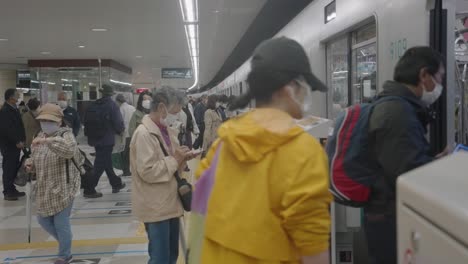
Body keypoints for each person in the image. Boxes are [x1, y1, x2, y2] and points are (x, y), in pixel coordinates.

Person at [190, 37, 331, 264]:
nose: (307, 94)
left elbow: (199, 218)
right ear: (289, 89)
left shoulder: (222, 145)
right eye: (305, 86)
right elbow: (312, 245)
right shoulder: (304, 152)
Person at [362, 47, 448, 264]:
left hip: (382, 212)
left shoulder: (393, 105)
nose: (440, 85)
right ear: (423, 75)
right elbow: (406, 173)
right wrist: (442, 165)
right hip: (389, 218)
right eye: (439, 77)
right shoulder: (398, 113)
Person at [130, 87, 196, 264]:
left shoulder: (165, 131)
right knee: (160, 258)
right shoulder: (144, 134)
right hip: (156, 206)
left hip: (170, 203)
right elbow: (148, 171)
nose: (178, 114)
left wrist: (183, 158)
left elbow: (171, 166)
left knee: (171, 255)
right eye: (175, 110)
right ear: (161, 108)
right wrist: (175, 159)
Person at [25, 103, 82, 264]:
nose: (45, 123)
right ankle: (66, 241)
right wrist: (30, 164)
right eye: (42, 120)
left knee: (61, 222)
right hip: (45, 187)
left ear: (59, 122)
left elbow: (68, 151)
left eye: (49, 120)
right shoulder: (39, 135)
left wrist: (47, 141)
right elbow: (35, 156)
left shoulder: (66, 135)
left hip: (64, 186)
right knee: (43, 219)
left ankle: (65, 255)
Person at [83, 84, 126, 198]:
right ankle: (89, 188)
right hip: (106, 139)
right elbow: (118, 122)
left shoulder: (95, 104)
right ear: (111, 94)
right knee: (99, 164)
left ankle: (116, 183)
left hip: (95, 138)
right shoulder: (112, 105)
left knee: (106, 162)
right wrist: (121, 131)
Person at [0, 88, 26, 201]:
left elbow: (18, 126)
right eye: (17, 95)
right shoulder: (5, 111)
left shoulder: (13, 109)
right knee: (8, 167)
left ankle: (12, 188)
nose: (18, 98)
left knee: (14, 166)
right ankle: (7, 192)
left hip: (16, 144)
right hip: (9, 145)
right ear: (11, 98)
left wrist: (22, 139)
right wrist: (17, 141)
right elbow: (7, 129)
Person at [115, 94, 136, 176]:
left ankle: (126, 171)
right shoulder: (132, 108)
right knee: (131, 152)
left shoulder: (121, 109)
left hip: (125, 134)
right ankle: (130, 169)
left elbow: (120, 122)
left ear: (118, 101)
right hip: (133, 133)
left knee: (124, 153)